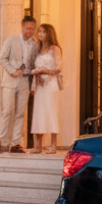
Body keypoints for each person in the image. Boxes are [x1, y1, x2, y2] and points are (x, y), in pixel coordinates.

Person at [0, 16, 38, 154]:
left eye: (32, 29)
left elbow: (34, 64)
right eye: (27, 28)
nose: (29, 31)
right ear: (22, 27)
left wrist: (33, 84)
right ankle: (3, 141)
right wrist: (12, 71)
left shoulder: (35, 45)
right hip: (9, 81)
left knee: (20, 113)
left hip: (25, 81)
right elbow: (2, 58)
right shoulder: (11, 40)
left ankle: (16, 143)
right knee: (7, 111)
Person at [29, 23, 63, 154]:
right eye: (40, 32)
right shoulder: (37, 49)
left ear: (49, 33)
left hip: (50, 83)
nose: (40, 34)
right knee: (38, 112)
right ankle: (38, 145)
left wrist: (45, 71)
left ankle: (53, 144)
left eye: (43, 32)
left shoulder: (55, 49)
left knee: (50, 112)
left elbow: (59, 67)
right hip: (39, 85)